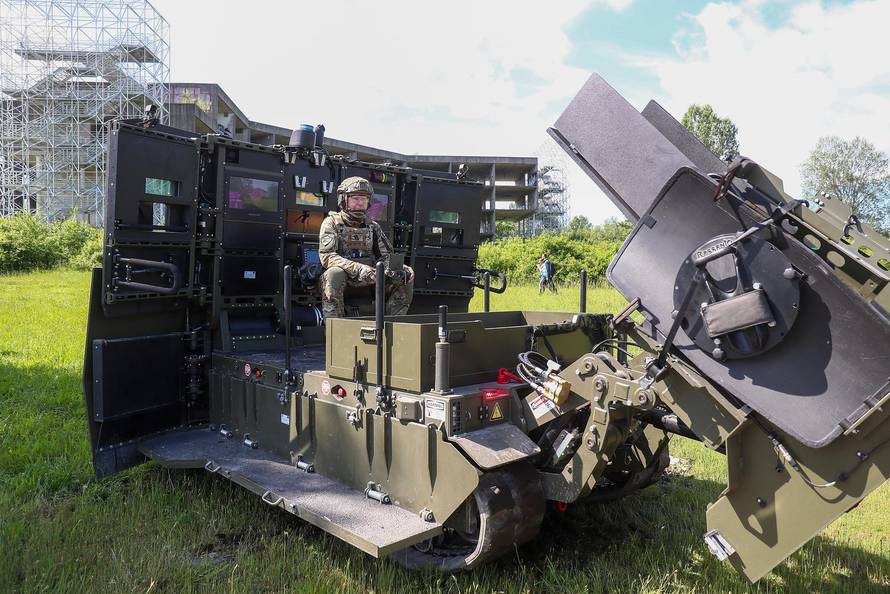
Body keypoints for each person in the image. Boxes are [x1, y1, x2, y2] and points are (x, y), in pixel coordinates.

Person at [318, 176, 414, 319]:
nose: (360, 203)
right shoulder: (331, 223)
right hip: (344, 278)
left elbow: (385, 256)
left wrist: (402, 268)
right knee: (335, 274)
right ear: (343, 199)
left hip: (370, 278)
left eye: (364, 199)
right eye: (355, 198)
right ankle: (334, 327)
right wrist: (360, 269)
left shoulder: (373, 226)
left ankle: (394, 324)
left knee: (404, 276)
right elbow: (327, 257)